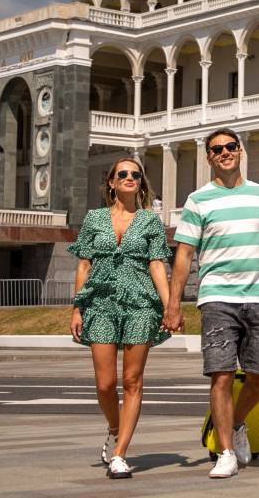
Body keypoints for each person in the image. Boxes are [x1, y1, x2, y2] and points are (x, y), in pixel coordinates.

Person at [163, 127, 259, 480]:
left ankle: (235, 426)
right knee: (220, 375)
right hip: (217, 297)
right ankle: (226, 452)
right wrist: (173, 305)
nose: (224, 153)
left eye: (230, 146)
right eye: (216, 149)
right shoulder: (198, 200)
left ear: (240, 151)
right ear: (208, 158)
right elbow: (185, 253)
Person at [70, 156, 173, 480]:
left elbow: (157, 264)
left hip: (140, 302)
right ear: (111, 183)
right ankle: (115, 426)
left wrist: (170, 306)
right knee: (105, 384)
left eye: (136, 175)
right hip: (100, 302)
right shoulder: (94, 218)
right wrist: (77, 307)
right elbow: (84, 265)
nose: (130, 177)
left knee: (132, 381)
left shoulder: (149, 221)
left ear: (141, 183)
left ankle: (120, 453)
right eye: (123, 174)